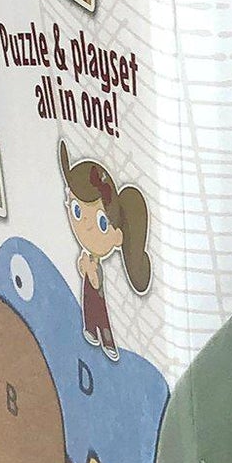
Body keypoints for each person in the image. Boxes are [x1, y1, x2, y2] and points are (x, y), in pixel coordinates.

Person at [59, 142, 153, 361]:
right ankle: (91, 331)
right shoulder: (90, 255)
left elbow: (95, 280)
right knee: (90, 311)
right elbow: (84, 271)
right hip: (90, 289)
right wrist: (85, 266)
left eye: (102, 223)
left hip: (96, 291)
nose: (86, 226)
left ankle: (107, 342)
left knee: (100, 314)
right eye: (76, 210)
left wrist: (90, 270)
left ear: (117, 236)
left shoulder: (99, 262)